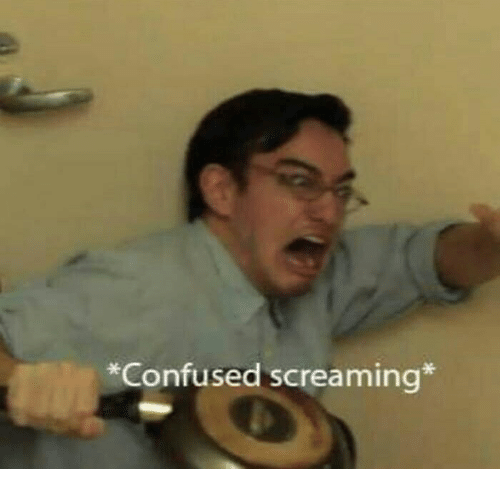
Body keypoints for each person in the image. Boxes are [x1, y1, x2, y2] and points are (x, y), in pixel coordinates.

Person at [0, 88, 499, 468]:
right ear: (221, 190)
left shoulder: (315, 277)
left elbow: (420, 261)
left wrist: (492, 245)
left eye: (340, 192)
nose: (329, 212)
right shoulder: (135, 288)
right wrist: (23, 382)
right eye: (300, 182)